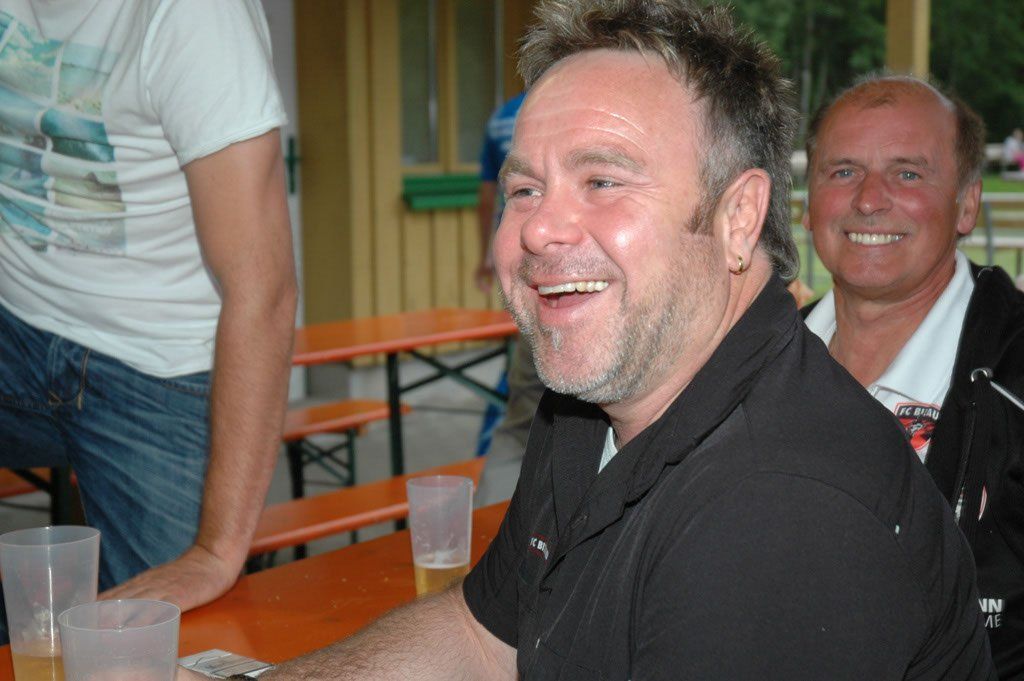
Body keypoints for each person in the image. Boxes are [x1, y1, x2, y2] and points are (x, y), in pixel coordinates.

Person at [181, 1, 994, 678]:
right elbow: (481, 633)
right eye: (524, 188)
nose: (539, 229)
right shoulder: (598, 395)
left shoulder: (780, 512)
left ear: (739, 217)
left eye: (602, 179)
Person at [0, 0, 296, 618]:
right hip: (15, 321)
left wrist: (216, 552)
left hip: (156, 365)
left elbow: (262, 291)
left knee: (158, 636)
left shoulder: (193, 16)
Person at [802, 74, 1024, 678]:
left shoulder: (1015, 384)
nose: (869, 200)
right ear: (807, 203)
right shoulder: (750, 366)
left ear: (967, 204)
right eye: (842, 171)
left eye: (907, 173)